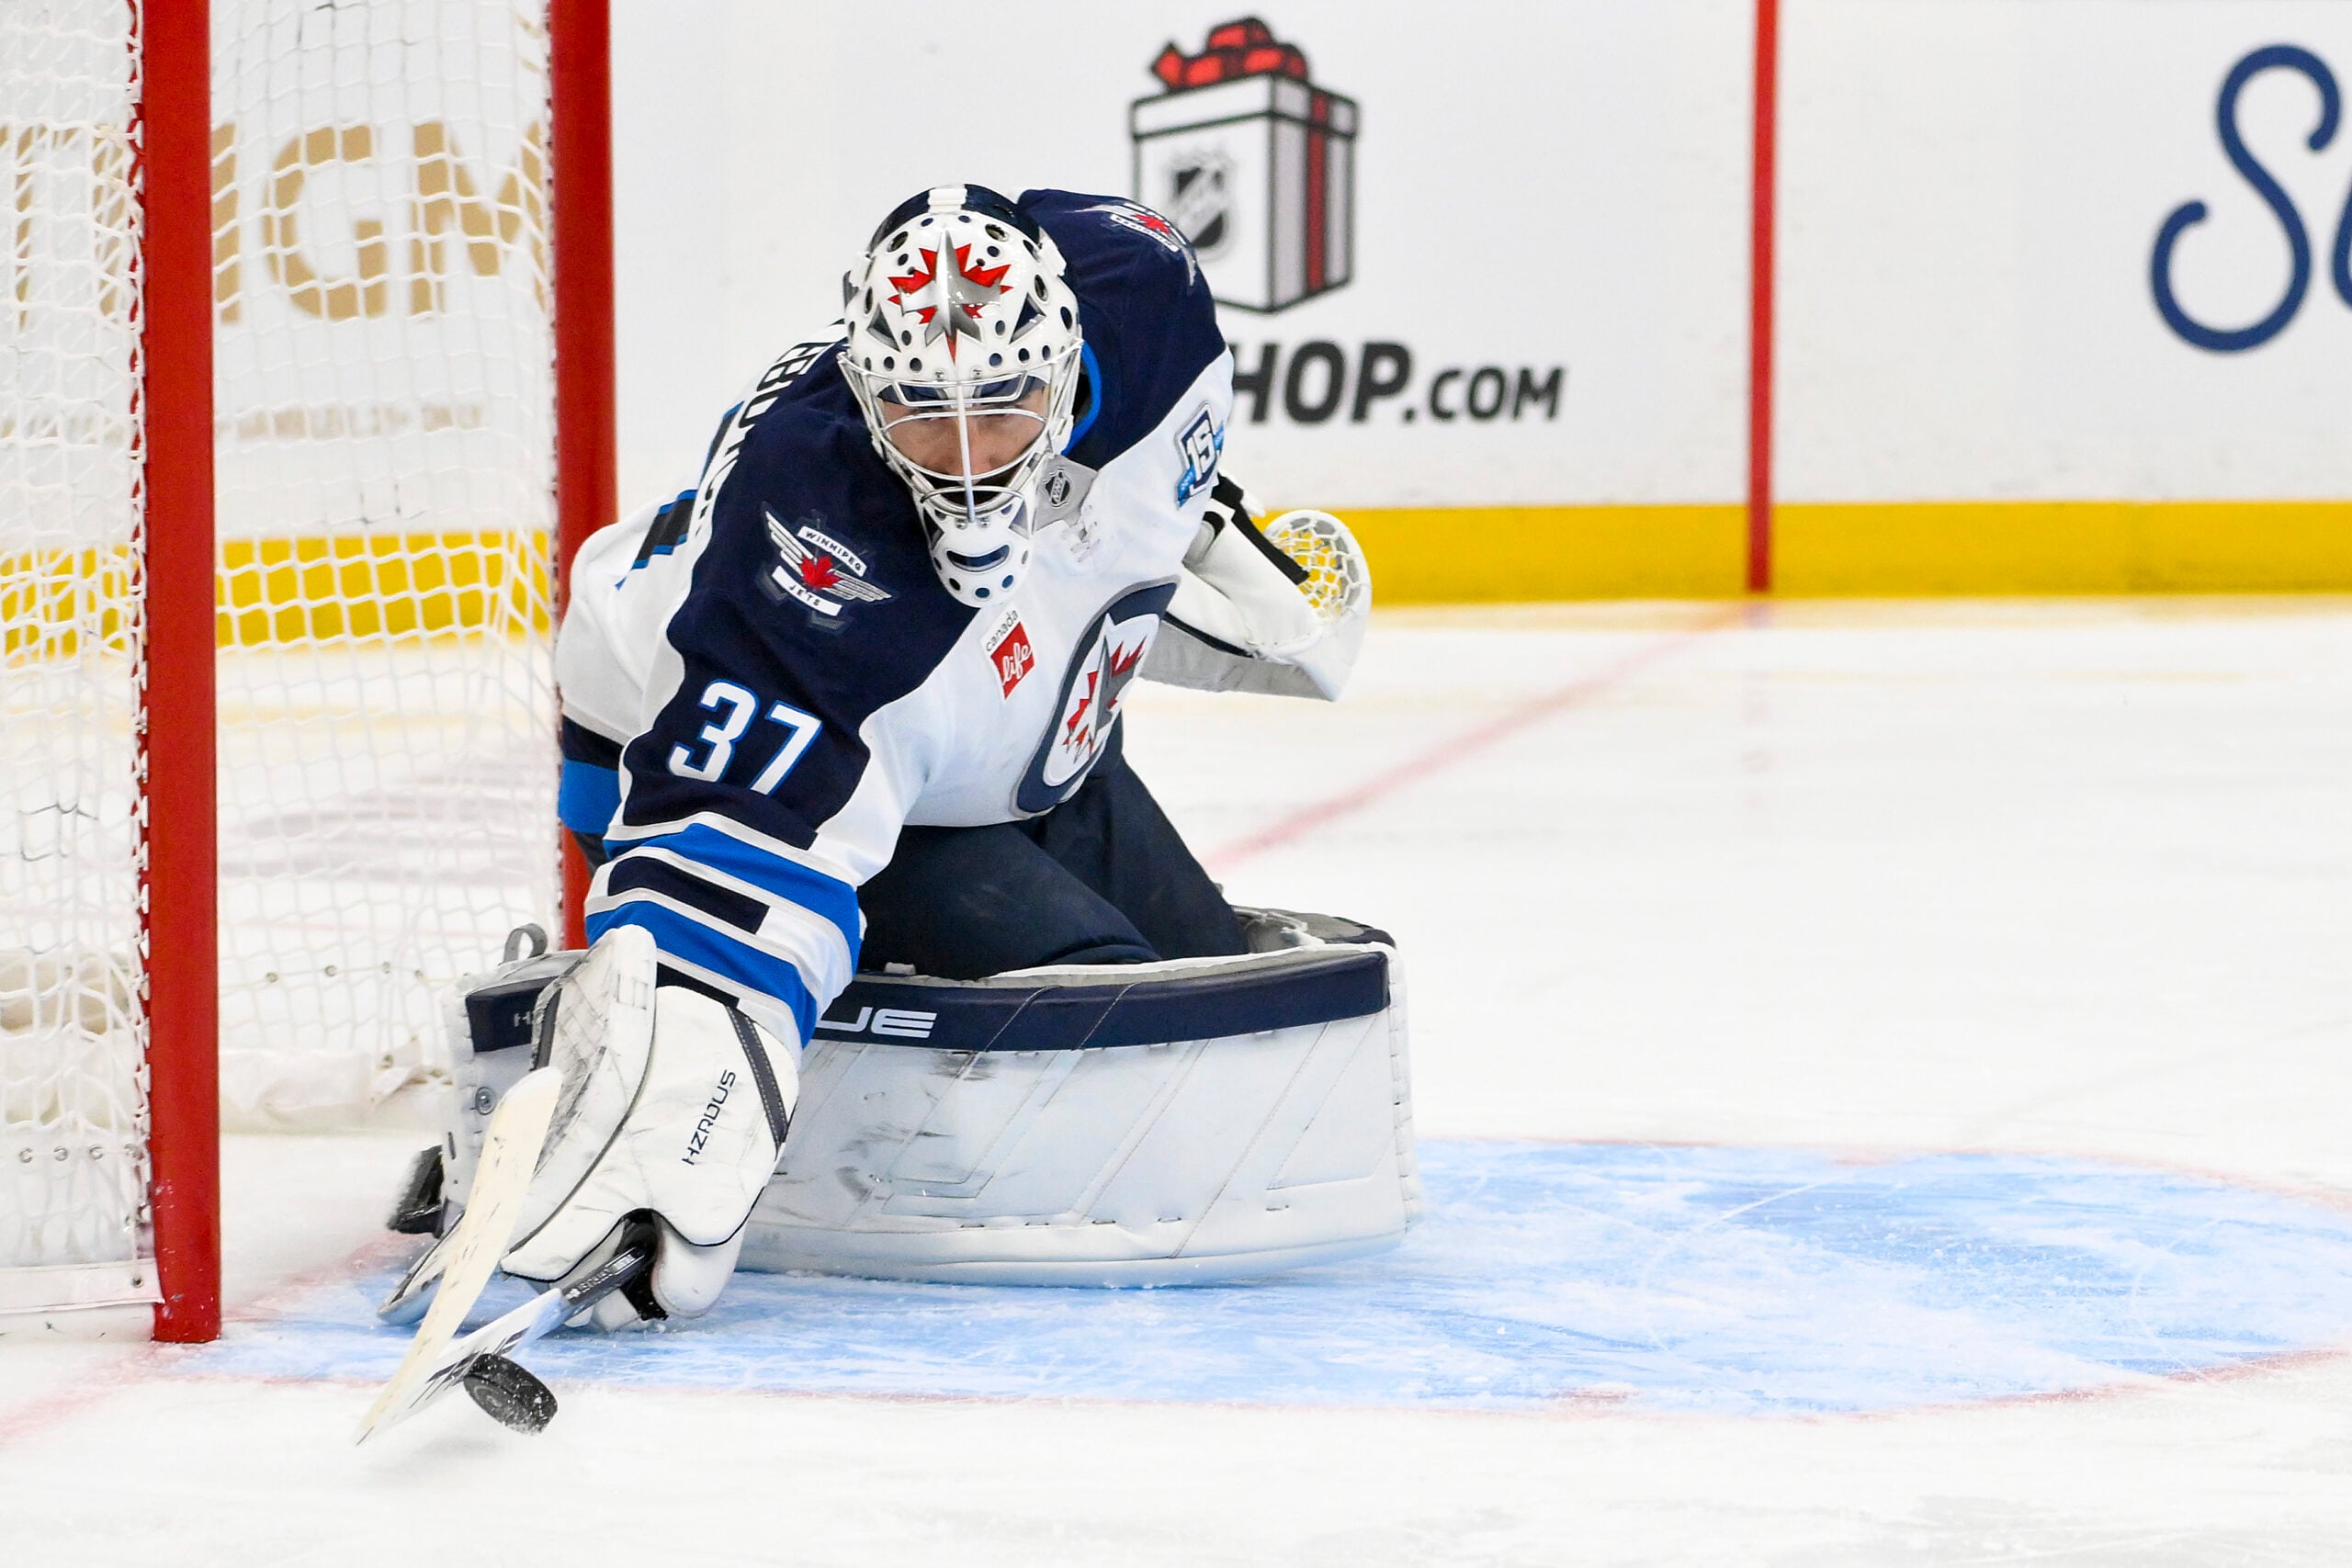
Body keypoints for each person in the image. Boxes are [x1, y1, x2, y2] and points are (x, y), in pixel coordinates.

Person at [498, 185, 1363, 1327]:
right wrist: (669, 1145)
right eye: (918, 417)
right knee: (1093, 1024)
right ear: (865, 392)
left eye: (1003, 408)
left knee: (1200, 979)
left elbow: (1092, 556)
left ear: (1062, 362)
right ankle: (587, 1108)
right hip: (696, 740)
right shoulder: (823, 573)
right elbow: (720, 894)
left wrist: (1194, 523)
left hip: (1005, 756)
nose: (965, 461)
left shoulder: (1146, 294)